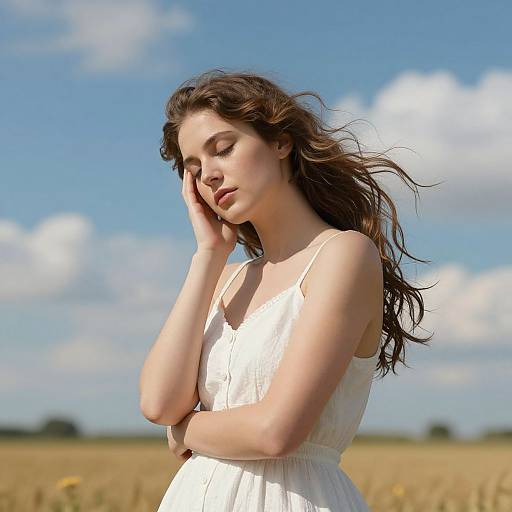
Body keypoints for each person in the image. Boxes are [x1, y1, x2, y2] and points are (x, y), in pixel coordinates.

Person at [139, 69, 436, 511]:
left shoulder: (343, 256)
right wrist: (208, 255)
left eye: (223, 149)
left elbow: (276, 432)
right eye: (195, 169)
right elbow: (159, 402)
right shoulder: (226, 278)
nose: (210, 176)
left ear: (281, 141)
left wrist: (187, 430)